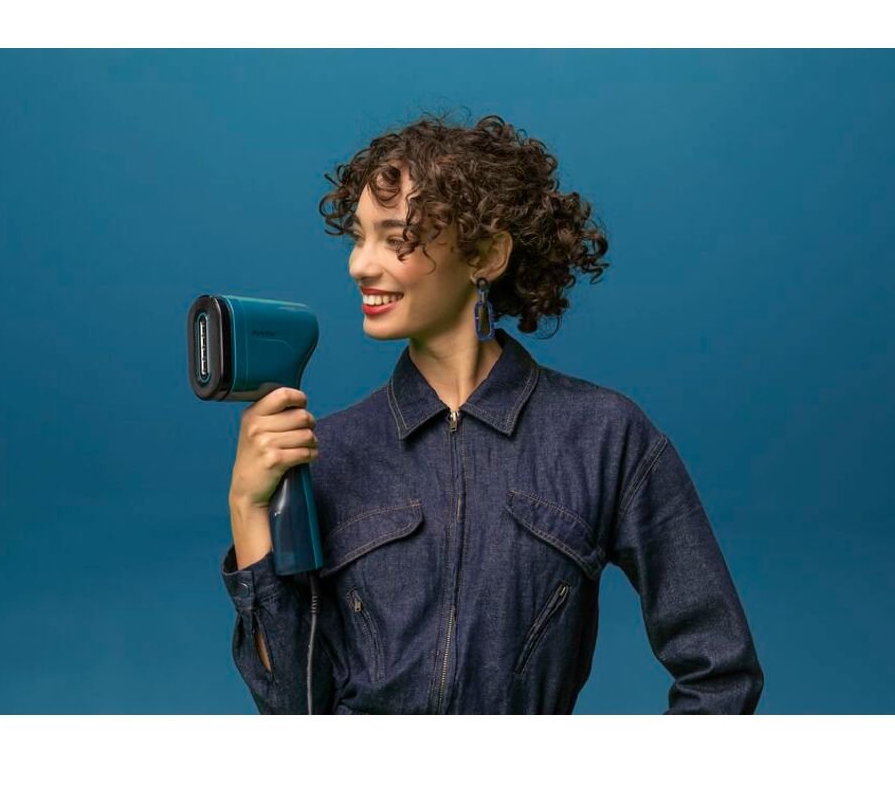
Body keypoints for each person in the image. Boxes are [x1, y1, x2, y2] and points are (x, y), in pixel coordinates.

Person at [220, 110, 764, 715]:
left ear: (485, 254)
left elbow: (721, 672)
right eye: (358, 236)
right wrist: (247, 507)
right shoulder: (329, 450)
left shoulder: (605, 437)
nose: (360, 264)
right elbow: (292, 708)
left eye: (395, 238)